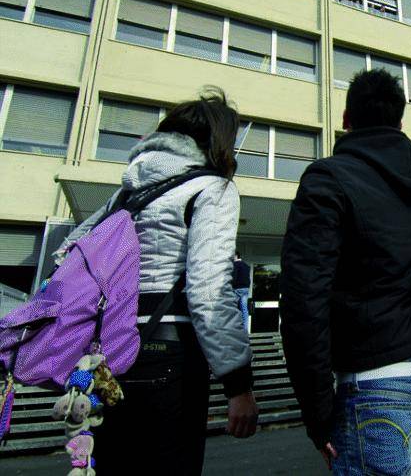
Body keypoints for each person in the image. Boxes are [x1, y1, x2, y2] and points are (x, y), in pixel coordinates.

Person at [53, 88, 258, 474]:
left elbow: (66, 255)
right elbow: (208, 288)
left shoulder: (126, 194)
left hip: (107, 356)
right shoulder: (212, 189)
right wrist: (238, 384)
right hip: (169, 358)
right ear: (218, 141)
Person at [279, 69, 411, 475]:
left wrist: (318, 416)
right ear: (400, 124)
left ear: (345, 119)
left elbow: (304, 300)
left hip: (370, 389)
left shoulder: (328, 178)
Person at [232, 251, 251, 334]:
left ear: (236, 256)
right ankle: (245, 330)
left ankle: (233, 328)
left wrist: (231, 286)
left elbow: (234, 277)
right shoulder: (246, 265)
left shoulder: (236, 264)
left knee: (232, 308)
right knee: (244, 309)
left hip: (237, 288)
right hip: (245, 289)